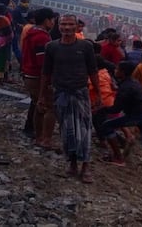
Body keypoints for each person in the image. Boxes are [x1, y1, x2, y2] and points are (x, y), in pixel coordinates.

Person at [40, 14, 101, 184]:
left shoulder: (86, 46)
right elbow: (46, 72)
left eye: (70, 24)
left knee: (85, 131)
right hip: (61, 93)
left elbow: (93, 71)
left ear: (76, 26)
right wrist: (42, 96)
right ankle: (72, 165)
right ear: (58, 27)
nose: (67, 28)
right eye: (63, 24)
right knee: (68, 132)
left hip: (81, 93)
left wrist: (99, 95)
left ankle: (86, 167)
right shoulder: (51, 47)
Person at [21, 8, 56, 142]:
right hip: (37, 76)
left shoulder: (31, 32)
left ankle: (37, 135)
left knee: (38, 104)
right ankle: (44, 139)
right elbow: (43, 63)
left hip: (29, 74)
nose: (53, 23)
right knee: (49, 107)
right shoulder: (42, 37)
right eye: (52, 20)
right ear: (47, 20)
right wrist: (49, 80)